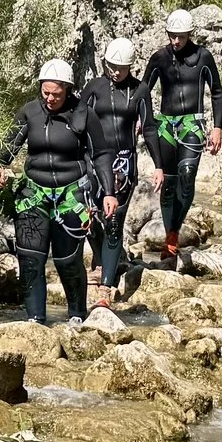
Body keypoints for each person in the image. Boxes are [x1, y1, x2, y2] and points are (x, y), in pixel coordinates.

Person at [0, 57, 98, 326]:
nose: (50, 98)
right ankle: (35, 321)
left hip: (71, 196)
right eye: (45, 92)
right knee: (30, 260)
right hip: (32, 194)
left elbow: (102, 155)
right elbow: (7, 149)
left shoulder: (83, 114)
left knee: (68, 260)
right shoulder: (29, 112)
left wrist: (104, 193)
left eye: (56, 94)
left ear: (68, 90)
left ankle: (77, 316)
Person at [142, 8, 222, 271]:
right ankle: (170, 239)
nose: (176, 41)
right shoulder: (159, 58)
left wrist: (217, 128)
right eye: (172, 36)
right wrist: (140, 119)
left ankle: (174, 230)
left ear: (190, 34)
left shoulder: (203, 57)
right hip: (165, 123)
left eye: (181, 36)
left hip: (193, 122)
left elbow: (217, 92)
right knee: (168, 184)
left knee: (187, 174)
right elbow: (143, 90)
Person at [81, 36, 150, 310]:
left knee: (113, 222)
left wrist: (158, 166)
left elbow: (150, 127)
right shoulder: (94, 87)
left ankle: (105, 288)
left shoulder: (140, 90)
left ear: (130, 66)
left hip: (124, 164)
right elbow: (78, 121)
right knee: (88, 216)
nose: (115, 72)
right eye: (111, 66)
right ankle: (100, 258)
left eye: (120, 68)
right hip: (93, 161)